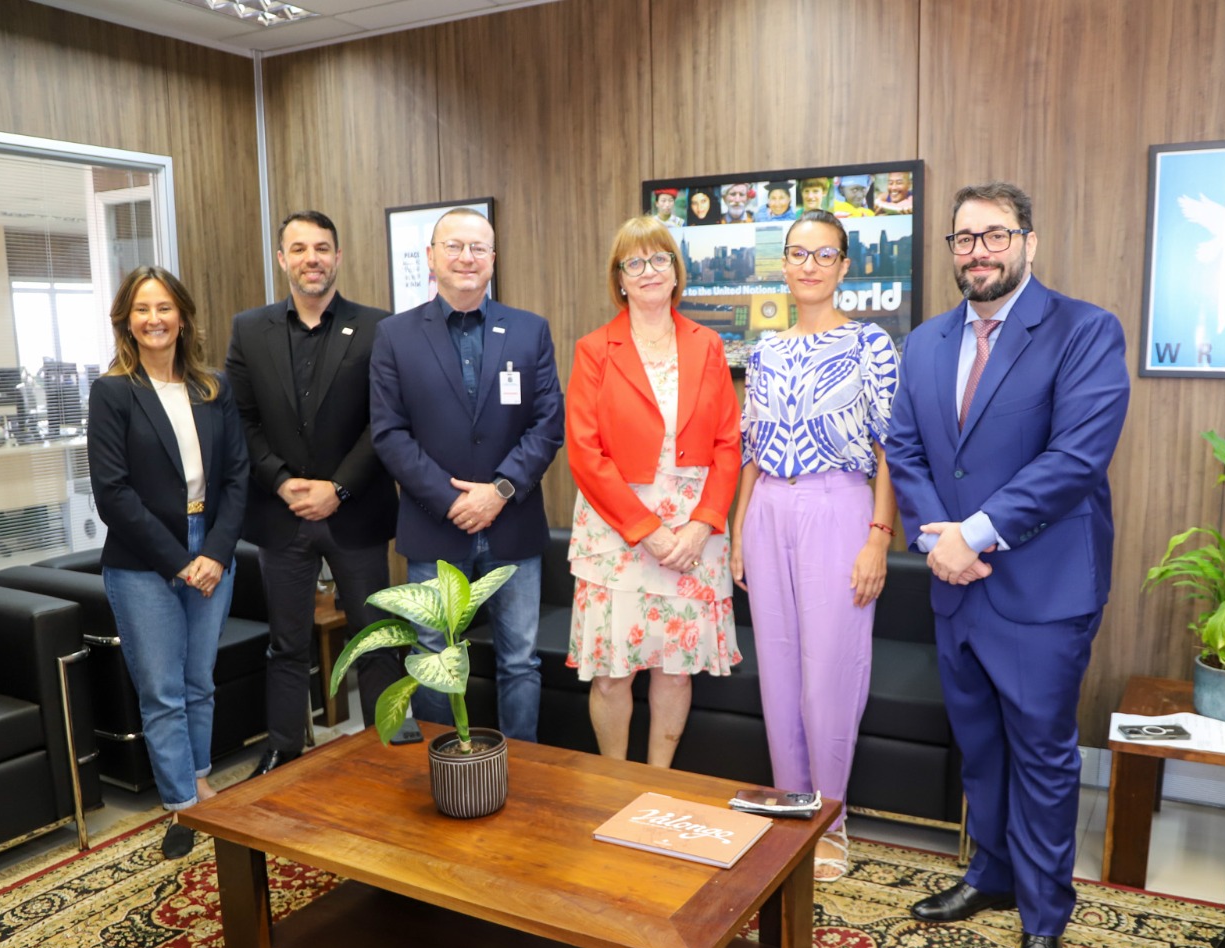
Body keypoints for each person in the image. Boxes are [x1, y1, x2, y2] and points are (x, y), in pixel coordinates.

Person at [885, 182, 1130, 948]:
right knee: (981, 750)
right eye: (963, 239)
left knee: (1043, 757)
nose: (978, 252)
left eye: (994, 235)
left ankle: (1043, 917)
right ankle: (989, 874)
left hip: (1041, 588)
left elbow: (1074, 460)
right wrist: (934, 539)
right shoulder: (923, 344)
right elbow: (906, 449)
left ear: (1029, 239)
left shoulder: (1084, 331)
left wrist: (973, 534)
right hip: (956, 582)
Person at [730, 210, 899, 882]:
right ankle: (792, 814)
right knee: (777, 673)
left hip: (840, 506)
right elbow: (748, 448)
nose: (807, 266)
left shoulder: (872, 345)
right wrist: (741, 530)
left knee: (829, 673)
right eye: (797, 254)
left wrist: (879, 539)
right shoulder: (764, 351)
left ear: (844, 266)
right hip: (768, 506)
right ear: (784, 264)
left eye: (822, 255)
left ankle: (832, 824)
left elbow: (892, 450)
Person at [369, 208, 564, 742]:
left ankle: (522, 767)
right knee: (434, 654)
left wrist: (499, 490)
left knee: (520, 659)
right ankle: (442, 767)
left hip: (513, 523)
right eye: (453, 246)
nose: (466, 257)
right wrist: (451, 499)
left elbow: (548, 424)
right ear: (430, 258)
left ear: (493, 260)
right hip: (436, 526)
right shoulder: (394, 336)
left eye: (478, 248)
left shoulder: (529, 331)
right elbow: (389, 433)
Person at [225, 210, 402, 774]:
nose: (311, 259)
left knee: (374, 635)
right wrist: (280, 480)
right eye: (298, 249)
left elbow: (385, 422)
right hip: (282, 515)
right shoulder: (250, 329)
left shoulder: (379, 328)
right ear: (282, 259)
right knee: (287, 642)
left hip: (356, 513)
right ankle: (283, 746)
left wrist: (338, 488)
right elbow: (241, 419)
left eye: (321, 248)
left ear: (338, 257)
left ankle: (385, 744)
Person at [566, 216, 741, 767]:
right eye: (634, 262)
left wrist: (700, 523)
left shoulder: (708, 344)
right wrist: (647, 530)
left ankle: (659, 785)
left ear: (675, 272)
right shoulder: (596, 349)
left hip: (695, 531)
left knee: (676, 666)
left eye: (659, 259)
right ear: (619, 278)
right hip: (618, 531)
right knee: (614, 673)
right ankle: (614, 784)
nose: (648, 271)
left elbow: (727, 444)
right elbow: (584, 453)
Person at [88, 266, 249, 859]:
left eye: (164, 308)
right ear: (126, 321)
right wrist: (182, 561)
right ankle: (182, 801)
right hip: (143, 561)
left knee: (199, 678)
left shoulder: (213, 388)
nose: (154, 319)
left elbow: (237, 477)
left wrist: (215, 552)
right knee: (162, 690)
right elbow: (113, 493)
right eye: (141, 309)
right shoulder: (112, 392)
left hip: (211, 544)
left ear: (183, 316)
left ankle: (201, 776)